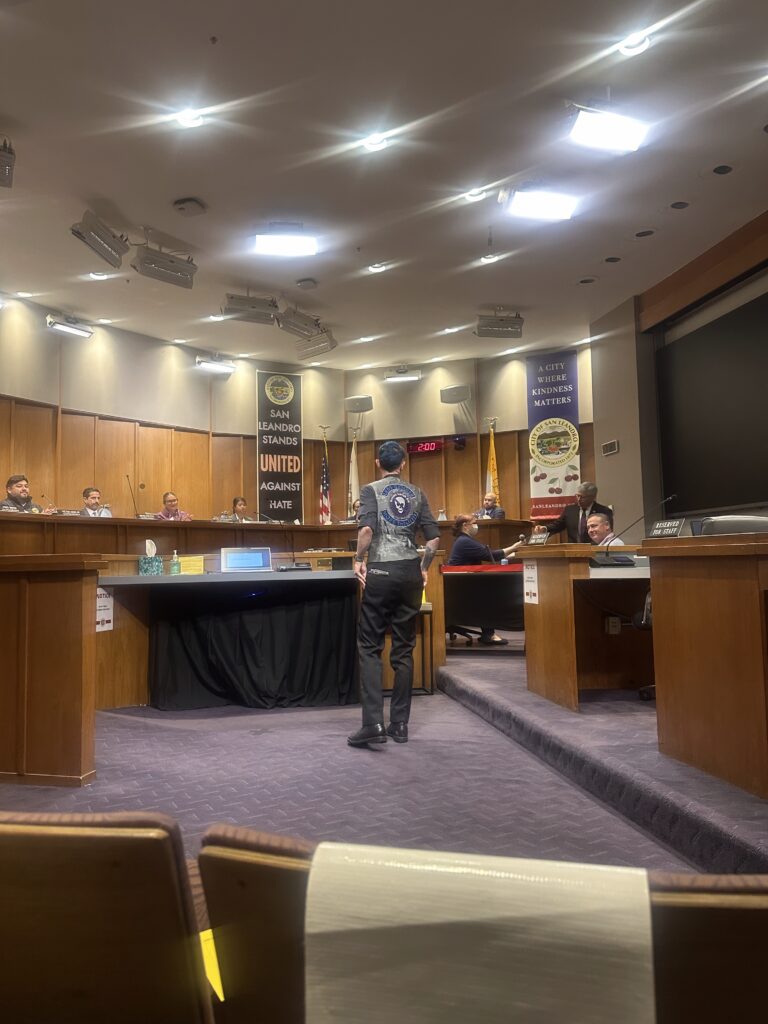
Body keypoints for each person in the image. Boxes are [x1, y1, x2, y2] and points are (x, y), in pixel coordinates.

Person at [348, 440, 440, 748]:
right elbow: (433, 540)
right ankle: (400, 725)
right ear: (402, 464)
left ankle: (373, 723)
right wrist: (423, 568)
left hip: (381, 572)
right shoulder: (417, 493)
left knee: (369, 646)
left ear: (378, 463)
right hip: (410, 571)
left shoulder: (370, 491)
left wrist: (359, 559)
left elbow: (366, 531)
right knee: (403, 649)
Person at [447, 514, 524, 645]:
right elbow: (491, 555)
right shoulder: (464, 542)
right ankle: (489, 634)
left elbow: (489, 555)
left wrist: (512, 554)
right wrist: (514, 547)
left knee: (487, 590)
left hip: (460, 584)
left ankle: (488, 633)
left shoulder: (463, 540)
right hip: (461, 588)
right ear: (465, 526)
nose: (476, 526)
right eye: (474, 523)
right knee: (492, 593)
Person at [533, 482, 612, 543]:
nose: (579, 499)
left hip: (595, 550)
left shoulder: (604, 511)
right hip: (573, 551)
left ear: (593, 497)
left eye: (582, 497)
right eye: (577, 496)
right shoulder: (570, 510)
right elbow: (558, 525)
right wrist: (545, 528)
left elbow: (606, 533)